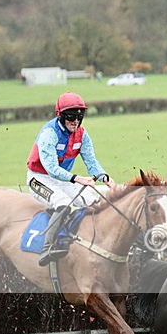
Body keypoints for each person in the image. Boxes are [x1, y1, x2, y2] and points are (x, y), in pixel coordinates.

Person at [26, 92, 116, 266]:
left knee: (96, 202)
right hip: (39, 177)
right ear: (61, 116)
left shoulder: (82, 134)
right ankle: (48, 247)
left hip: (63, 179)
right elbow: (51, 169)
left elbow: (91, 162)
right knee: (64, 204)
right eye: (71, 116)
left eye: (80, 116)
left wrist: (106, 178)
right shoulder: (49, 134)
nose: (76, 121)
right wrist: (77, 178)